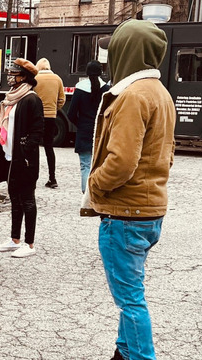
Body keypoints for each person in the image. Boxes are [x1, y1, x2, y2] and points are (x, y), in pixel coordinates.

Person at [81, 20, 176, 360]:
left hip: (125, 214)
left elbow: (121, 162)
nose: (108, 58)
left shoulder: (132, 96)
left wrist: (94, 184)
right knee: (132, 292)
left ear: (127, 51)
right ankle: (123, 352)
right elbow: (167, 151)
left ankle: (139, 356)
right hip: (149, 210)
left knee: (130, 300)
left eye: (114, 49)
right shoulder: (159, 92)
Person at [0, 59, 44, 258]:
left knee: (27, 200)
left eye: (14, 74)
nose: (10, 77)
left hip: (24, 159)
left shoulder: (31, 99)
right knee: (15, 198)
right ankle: (15, 239)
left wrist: (25, 148)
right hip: (9, 157)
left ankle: (30, 244)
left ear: (24, 77)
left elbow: (37, 130)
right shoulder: (11, 99)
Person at [67, 60, 110, 193]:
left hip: (84, 132)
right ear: (101, 72)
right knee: (99, 165)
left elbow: (71, 114)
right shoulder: (106, 89)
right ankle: (97, 193)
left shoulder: (80, 88)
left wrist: (80, 124)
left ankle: (87, 196)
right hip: (101, 132)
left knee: (85, 166)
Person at [33, 58, 65, 189]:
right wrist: (54, 110)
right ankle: (52, 178)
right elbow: (62, 99)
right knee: (49, 148)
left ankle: (33, 178)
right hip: (51, 117)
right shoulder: (57, 79)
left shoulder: (35, 79)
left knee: (34, 148)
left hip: (37, 117)